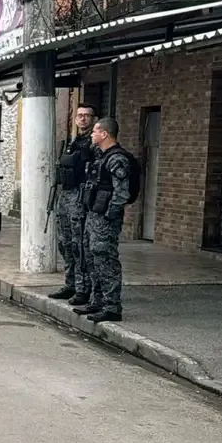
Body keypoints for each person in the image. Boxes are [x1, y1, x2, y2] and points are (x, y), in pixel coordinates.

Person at [75, 117, 133, 323]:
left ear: (105, 134)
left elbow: (122, 193)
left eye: (95, 131)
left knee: (106, 260)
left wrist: (110, 215)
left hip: (105, 219)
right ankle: (97, 300)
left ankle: (112, 306)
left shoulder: (117, 159)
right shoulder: (101, 156)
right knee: (91, 258)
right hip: (93, 215)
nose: (92, 134)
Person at [48, 103, 96, 304]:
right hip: (65, 196)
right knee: (65, 243)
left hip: (79, 197)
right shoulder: (72, 142)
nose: (83, 119)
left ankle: (83, 288)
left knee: (79, 246)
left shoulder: (94, 145)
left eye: (87, 115)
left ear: (93, 119)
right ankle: (71, 284)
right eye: (80, 116)